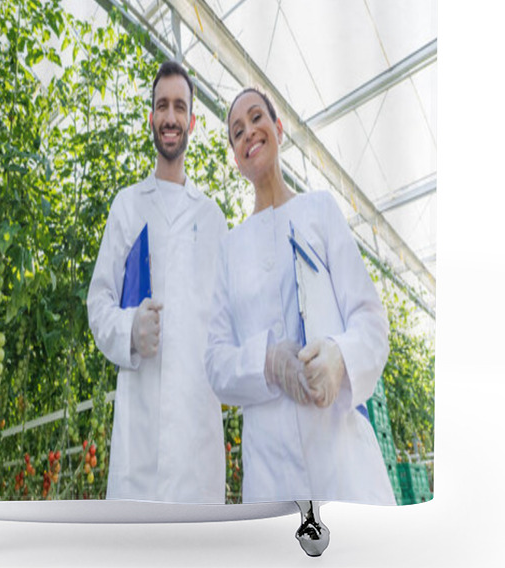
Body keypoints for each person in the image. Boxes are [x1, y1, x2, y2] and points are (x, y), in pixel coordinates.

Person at [204, 88, 396, 505]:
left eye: (257, 119)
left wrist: (339, 357)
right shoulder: (230, 250)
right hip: (271, 475)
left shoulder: (321, 210)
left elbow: (371, 320)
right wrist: (267, 363)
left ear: (278, 129)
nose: (249, 132)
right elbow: (216, 362)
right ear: (236, 159)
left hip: (342, 459)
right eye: (237, 131)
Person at [87, 61, 228, 503]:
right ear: (150, 117)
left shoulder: (213, 219)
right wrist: (129, 329)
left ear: (192, 122)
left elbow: (228, 323)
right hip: (140, 434)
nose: (170, 117)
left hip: (197, 438)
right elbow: (99, 302)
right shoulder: (127, 206)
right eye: (162, 106)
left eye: (179, 107)